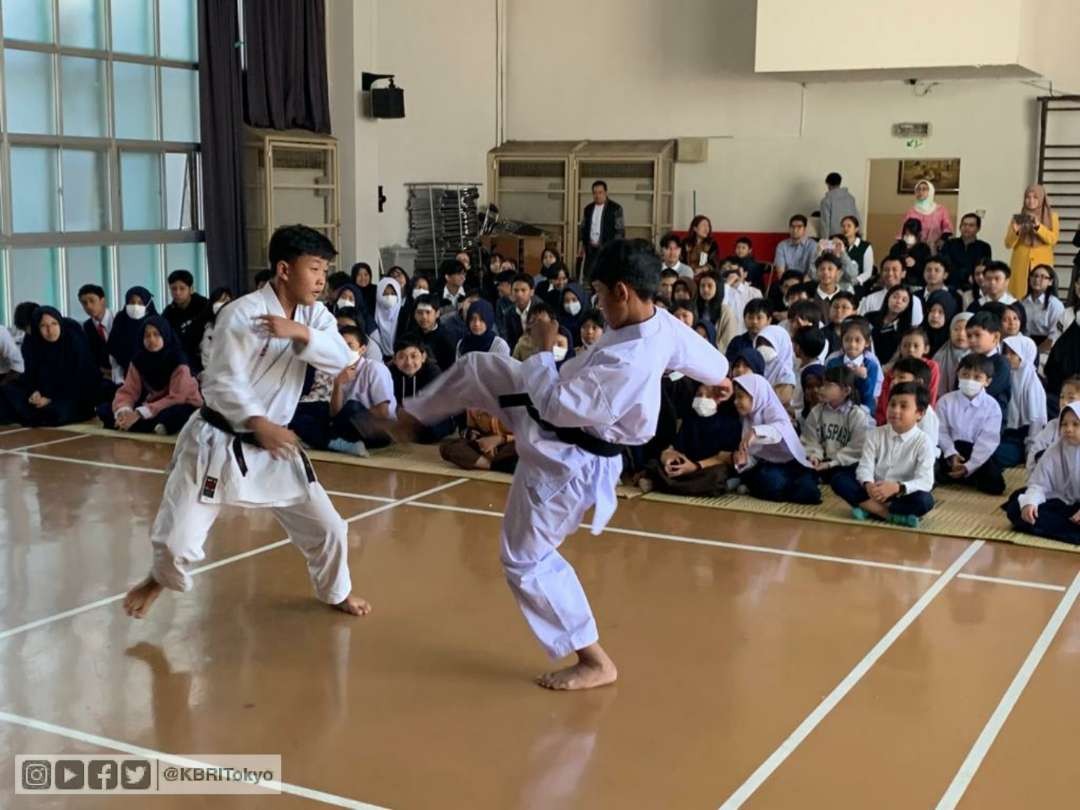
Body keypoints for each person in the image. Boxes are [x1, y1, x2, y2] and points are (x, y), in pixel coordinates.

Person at [388, 238, 732, 690]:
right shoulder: (660, 322)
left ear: (622, 292)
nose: (596, 304)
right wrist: (721, 378)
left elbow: (555, 405)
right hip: (555, 420)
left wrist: (546, 349)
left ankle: (594, 661)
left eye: (599, 293)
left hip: (569, 458)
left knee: (525, 560)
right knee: (479, 367)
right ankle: (410, 416)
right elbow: (708, 358)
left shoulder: (629, 361)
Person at [121, 225, 369, 621]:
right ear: (285, 269)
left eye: (325, 270)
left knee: (330, 530)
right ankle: (157, 579)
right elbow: (221, 380)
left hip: (274, 446)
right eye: (315, 268)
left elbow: (344, 358)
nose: (322, 279)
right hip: (220, 440)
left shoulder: (314, 314)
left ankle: (336, 591)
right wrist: (257, 421)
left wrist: (300, 331)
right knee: (175, 544)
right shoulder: (241, 314)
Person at [832, 382, 936, 527]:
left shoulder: (924, 442)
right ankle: (888, 515)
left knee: (925, 500)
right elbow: (865, 466)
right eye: (892, 404)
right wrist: (868, 484)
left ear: (920, 414)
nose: (895, 410)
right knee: (840, 479)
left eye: (903, 406)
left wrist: (897, 487)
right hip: (873, 489)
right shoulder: (875, 434)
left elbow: (926, 480)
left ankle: (868, 508)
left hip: (900, 494)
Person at [99, 316, 203, 436]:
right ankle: (138, 423)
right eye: (147, 335)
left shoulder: (178, 360)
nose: (151, 339)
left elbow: (177, 397)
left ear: (165, 335)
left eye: (156, 334)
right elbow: (128, 391)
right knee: (107, 409)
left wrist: (139, 413)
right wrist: (124, 410)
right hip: (154, 405)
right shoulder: (139, 360)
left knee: (178, 414)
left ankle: (139, 424)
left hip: (181, 403)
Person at [0, 306, 98, 427]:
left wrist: (50, 398)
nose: (50, 330)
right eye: (43, 326)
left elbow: (81, 378)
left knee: (56, 411)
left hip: (71, 394)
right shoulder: (33, 342)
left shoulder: (73, 340)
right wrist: (34, 392)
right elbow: (29, 374)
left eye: (54, 323)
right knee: (7, 392)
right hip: (42, 393)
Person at [731, 374, 822, 504]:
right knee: (771, 480)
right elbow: (753, 455)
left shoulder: (773, 409)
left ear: (757, 396)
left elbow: (779, 431)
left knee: (810, 492)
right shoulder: (747, 419)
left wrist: (756, 432)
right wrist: (744, 461)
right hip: (768, 466)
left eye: (740, 397)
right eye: (735, 397)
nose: (736, 402)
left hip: (793, 463)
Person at [638, 383, 742, 497]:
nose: (702, 399)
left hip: (706, 467)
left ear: (719, 399)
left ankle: (661, 484)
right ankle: (674, 485)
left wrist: (695, 466)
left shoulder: (730, 423)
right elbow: (677, 447)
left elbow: (725, 458)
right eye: (699, 395)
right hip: (687, 465)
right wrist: (668, 456)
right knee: (654, 463)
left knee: (717, 476)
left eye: (708, 396)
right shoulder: (691, 418)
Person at [1003, 402, 1080, 544]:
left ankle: (1066, 531)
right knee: (1016, 508)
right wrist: (1030, 503)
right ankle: (1070, 532)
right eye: (1064, 424)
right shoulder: (1055, 450)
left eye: (1076, 424)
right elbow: (1039, 484)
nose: (1069, 429)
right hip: (1063, 504)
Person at [936, 353, 1005, 495]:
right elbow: (940, 431)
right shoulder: (945, 401)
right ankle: (959, 474)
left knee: (996, 485)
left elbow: (988, 441)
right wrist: (951, 454)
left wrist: (969, 466)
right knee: (933, 471)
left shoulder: (992, 406)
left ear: (987, 381)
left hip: (976, 451)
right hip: (950, 449)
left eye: (977, 377)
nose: (970, 380)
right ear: (958, 374)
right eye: (965, 375)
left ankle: (965, 474)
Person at [329, 326, 395, 456]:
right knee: (310, 410)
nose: (344, 350)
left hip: (380, 429)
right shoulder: (338, 371)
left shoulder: (375, 369)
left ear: (362, 349)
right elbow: (334, 413)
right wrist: (338, 384)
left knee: (352, 406)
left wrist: (352, 417)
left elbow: (383, 412)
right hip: (350, 428)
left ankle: (328, 438)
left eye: (350, 345)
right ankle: (332, 440)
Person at [801, 365, 867, 478]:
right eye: (823, 384)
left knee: (841, 480)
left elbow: (855, 449)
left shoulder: (857, 415)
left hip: (843, 464)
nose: (821, 389)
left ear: (845, 390)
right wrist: (815, 456)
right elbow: (811, 440)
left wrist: (831, 464)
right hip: (820, 462)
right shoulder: (816, 411)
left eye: (828, 386)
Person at [995, 334, 1047, 468]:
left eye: (1013, 353)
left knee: (995, 455)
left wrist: (1030, 452)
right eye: (1005, 352)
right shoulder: (1005, 375)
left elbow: (1037, 421)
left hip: (1019, 440)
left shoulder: (1032, 383)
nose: (1007, 357)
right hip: (1000, 433)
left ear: (1025, 355)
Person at [1006, 184, 1060, 300]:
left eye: (1035, 197)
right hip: (1020, 264)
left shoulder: (1052, 217)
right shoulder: (1019, 218)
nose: (1030, 201)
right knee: (1019, 299)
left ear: (1041, 199)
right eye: (1027, 197)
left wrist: (1038, 227)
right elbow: (1008, 244)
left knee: (1042, 297)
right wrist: (1016, 232)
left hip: (1042, 264)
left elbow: (1053, 239)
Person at [826, 317, 882, 416]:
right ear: (841, 340)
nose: (852, 344)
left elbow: (868, 396)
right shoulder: (833, 363)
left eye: (857, 340)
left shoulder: (871, 366)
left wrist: (863, 378)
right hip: (837, 409)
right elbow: (829, 389)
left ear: (867, 343)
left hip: (863, 411)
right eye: (847, 339)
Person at [1027, 376, 1080, 472]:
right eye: (1062, 397)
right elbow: (1034, 454)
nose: (1064, 402)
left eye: (1071, 398)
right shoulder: (1052, 426)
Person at [965, 310, 1011, 419]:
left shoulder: (1001, 364)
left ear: (995, 337)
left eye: (977, 335)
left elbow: (988, 392)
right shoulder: (966, 361)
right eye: (969, 335)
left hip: (991, 418)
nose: (972, 340)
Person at [162, 269, 209, 372]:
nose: (177, 293)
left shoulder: (204, 305)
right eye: (174, 289)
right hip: (182, 361)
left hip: (205, 358)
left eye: (182, 288)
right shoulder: (169, 312)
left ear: (191, 289)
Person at [578, 180, 625, 279]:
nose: (597, 195)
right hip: (591, 248)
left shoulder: (615, 208)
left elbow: (620, 230)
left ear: (606, 192)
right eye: (594, 193)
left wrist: (616, 249)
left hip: (607, 248)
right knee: (590, 275)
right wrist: (582, 244)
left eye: (600, 192)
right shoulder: (588, 208)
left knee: (606, 276)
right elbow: (583, 227)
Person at [107, 286, 158, 376]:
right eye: (132, 302)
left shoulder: (157, 322)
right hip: (125, 375)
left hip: (153, 374)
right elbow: (113, 346)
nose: (135, 306)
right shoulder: (120, 320)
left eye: (140, 303)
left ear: (148, 304)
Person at [858, 257, 925, 325]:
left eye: (895, 270)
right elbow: (861, 324)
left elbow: (916, 327)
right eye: (886, 270)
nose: (890, 273)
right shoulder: (870, 299)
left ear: (903, 273)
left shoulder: (914, 300)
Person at [942, 213, 992, 290]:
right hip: (951, 286)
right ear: (960, 227)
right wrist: (965, 276)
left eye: (971, 225)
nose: (966, 228)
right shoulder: (949, 244)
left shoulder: (984, 247)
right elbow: (946, 266)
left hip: (974, 287)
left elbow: (984, 269)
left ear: (978, 228)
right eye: (964, 224)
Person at [868, 286, 915, 367]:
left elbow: (898, 354)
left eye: (904, 300)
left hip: (887, 369)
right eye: (895, 297)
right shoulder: (870, 317)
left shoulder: (906, 329)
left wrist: (885, 369)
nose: (898, 301)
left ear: (907, 306)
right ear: (888, 298)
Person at [753, 324, 797, 407]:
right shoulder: (753, 366)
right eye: (760, 343)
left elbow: (780, 400)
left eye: (768, 344)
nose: (763, 347)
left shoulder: (786, 374)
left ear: (781, 345)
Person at [901, 179, 953, 250]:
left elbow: (947, 229)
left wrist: (941, 241)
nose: (921, 192)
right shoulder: (911, 211)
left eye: (924, 189)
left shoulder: (941, 210)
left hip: (934, 248)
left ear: (931, 191)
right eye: (918, 189)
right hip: (914, 249)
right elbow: (903, 231)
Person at [1022, 264, 1064, 346]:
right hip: (1025, 344)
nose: (1037, 279)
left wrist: (1036, 352)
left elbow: (1054, 336)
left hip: (1047, 348)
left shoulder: (1055, 305)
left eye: (1042, 277)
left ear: (1050, 282)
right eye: (1034, 276)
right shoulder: (1023, 302)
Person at [934, 311, 973, 398]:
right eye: (956, 329)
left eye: (966, 330)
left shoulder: (980, 358)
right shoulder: (939, 356)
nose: (961, 334)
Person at [888, 219, 933, 287]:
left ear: (918, 235)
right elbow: (890, 263)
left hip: (917, 284)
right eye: (906, 235)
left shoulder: (924, 249)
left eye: (912, 235)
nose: (908, 238)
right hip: (898, 283)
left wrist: (915, 264)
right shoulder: (897, 248)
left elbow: (927, 269)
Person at [818, 172, 860, 242]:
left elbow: (825, 224)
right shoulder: (850, 198)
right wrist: (859, 235)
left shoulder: (826, 201)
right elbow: (857, 217)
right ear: (840, 183)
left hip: (835, 239)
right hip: (851, 236)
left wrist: (824, 241)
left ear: (828, 184)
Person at [839, 216, 875, 286]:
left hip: (857, 285)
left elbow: (868, 272)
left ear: (856, 229)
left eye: (849, 226)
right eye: (843, 226)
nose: (845, 228)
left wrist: (856, 281)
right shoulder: (839, 245)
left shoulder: (865, 246)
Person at [504, 273, 535, 352]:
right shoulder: (508, 313)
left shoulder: (540, 311)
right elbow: (509, 340)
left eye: (523, 290)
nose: (519, 294)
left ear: (531, 292)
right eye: (516, 290)